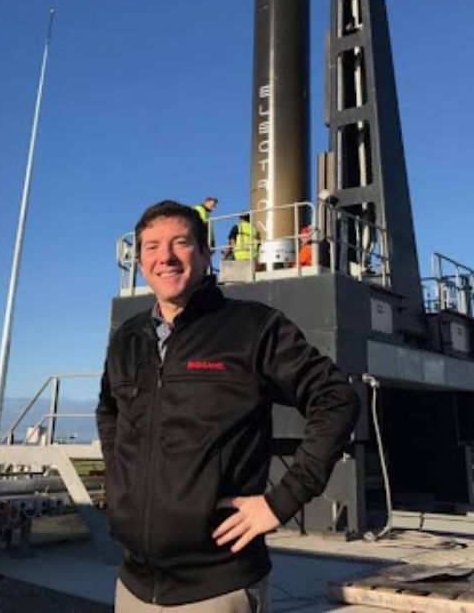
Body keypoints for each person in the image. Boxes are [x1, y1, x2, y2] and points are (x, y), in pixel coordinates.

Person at [96, 199, 359, 612]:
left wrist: (282, 501)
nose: (164, 257)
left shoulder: (252, 328)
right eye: (151, 247)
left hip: (218, 588)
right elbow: (109, 412)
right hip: (133, 585)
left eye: (180, 243)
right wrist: (120, 483)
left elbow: (335, 397)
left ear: (205, 253)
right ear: (140, 259)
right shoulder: (128, 339)